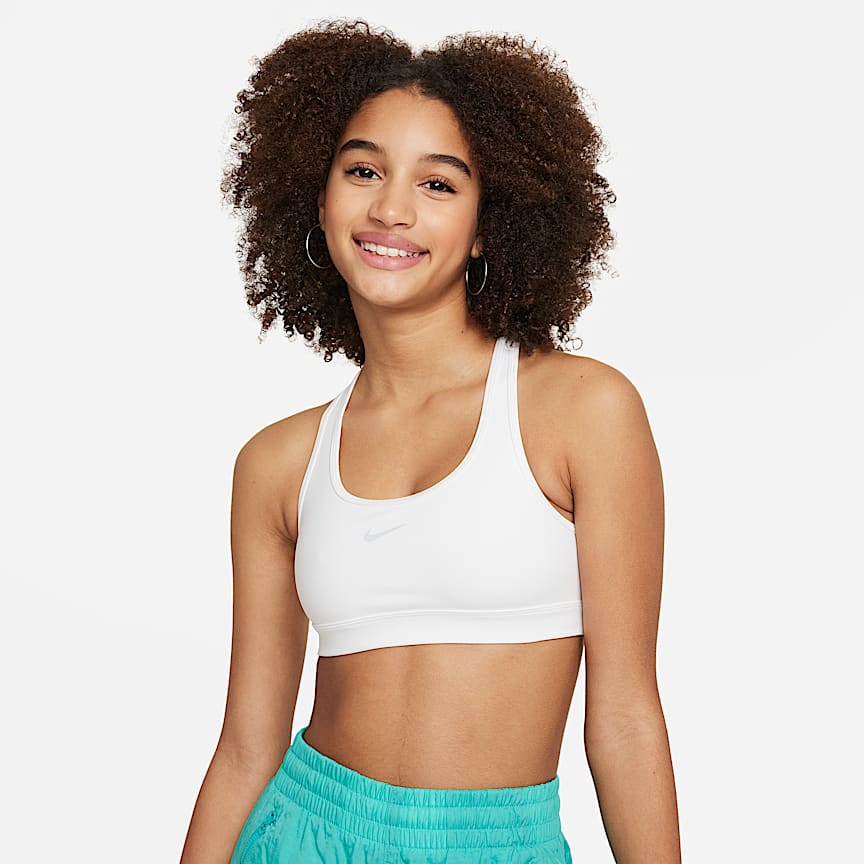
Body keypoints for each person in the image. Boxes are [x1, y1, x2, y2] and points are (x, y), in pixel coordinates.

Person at [180, 18, 680, 864]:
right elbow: (243, 750)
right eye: (363, 170)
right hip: (302, 834)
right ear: (318, 198)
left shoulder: (583, 412)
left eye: (439, 183)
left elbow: (626, 719)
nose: (391, 208)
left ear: (489, 224)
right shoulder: (278, 464)